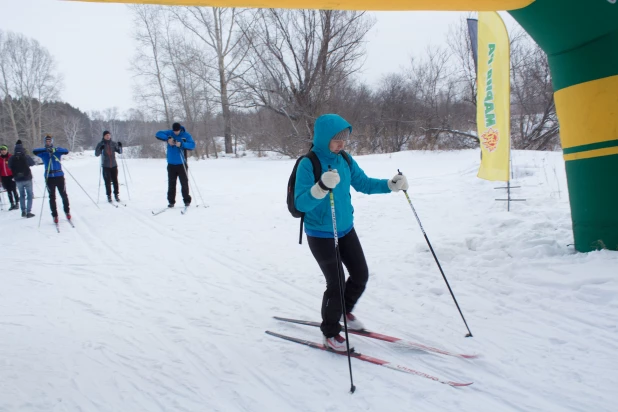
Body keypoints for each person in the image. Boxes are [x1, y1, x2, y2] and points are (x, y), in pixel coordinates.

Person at [294, 114, 409, 352]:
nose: (341, 145)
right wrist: (321, 187)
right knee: (335, 283)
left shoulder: (344, 159)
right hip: (320, 233)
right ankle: (330, 332)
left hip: (345, 228)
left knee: (360, 275)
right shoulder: (308, 163)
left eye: (344, 140)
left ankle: (343, 311)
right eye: (336, 140)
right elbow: (300, 204)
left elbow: (364, 183)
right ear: (324, 138)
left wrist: (390, 185)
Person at [155, 122, 195, 207]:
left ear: (180, 129)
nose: (176, 133)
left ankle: (186, 200)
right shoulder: (169, 133)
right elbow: (158, 134)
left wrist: (182, 144)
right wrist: (168, 139)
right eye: (174, 131)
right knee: (171, 183)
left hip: (182, 163)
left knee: (184, 183)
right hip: (171, 164)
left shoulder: (185, 135)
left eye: (177, 131)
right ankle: (171, 202)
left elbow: (192, 145)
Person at [33, 135, 71, 223]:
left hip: (59, 176)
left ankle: (67, 211)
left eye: (49, 141)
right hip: (49, 177)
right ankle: (55, 215)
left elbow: (66, 151)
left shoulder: (57, 150)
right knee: (52, 197)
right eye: (46, 141)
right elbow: (34, 151)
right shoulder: (43, 152)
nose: (48, 142)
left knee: (63, 195)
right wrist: (46, 150)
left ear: (52, 142)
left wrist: (55, 150)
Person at [8, 140, 36, 218]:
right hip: (27, 178)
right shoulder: (26, 156)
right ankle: (28, 212)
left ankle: (23, 211)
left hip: (18, 179)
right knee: (29, 195)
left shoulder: (12, 158)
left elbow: (9, 167)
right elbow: (32, 163)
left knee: (22, 195)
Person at [95, 130, 123, 203]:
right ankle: (109, 196)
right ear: (104, 136)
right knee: (107, 182)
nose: (108, 136)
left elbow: (120, 152)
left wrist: (120, 146)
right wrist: (100, 148)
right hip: (105, 166)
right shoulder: (101, 144)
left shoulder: (113, 143)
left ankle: (116, 195)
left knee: (115, 181)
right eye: (106, 135)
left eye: (109, 135)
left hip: (114, 165)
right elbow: (96, 154)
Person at [0, 144, 19, 210]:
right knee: (8, 191)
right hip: (4, 177)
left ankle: (17, 203)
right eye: (2, 150)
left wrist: (15, 175)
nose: (3, 151)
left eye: (4, 150)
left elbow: (15, 166)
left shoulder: (10, 157)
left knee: (14, 190)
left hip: (11, 176)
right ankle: (12, 204)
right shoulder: (0, 158)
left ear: (6, 150)